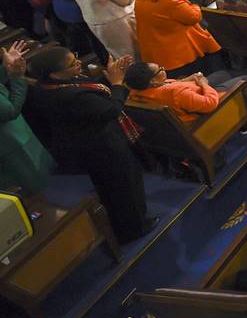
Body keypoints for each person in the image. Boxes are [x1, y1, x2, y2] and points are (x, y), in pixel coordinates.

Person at [24, 46, 153, 243]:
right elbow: (112, 110)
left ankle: (125, 224)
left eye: (75, 56)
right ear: (55, 73)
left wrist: (110, 76)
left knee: (111, 188)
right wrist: (118, 84)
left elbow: (89, 88)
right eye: (72, 63)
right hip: (101, 147)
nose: (78, 62)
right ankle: (136, 229)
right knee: (125, 186)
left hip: (88, 145)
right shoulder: (68, 97)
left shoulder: (47, 85)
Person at [131, 0, 221, 78]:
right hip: (180, 56)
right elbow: (194, 16)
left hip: (159, 55)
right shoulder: (167, 1)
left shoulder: (140, 0)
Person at [0, 40, 53, 194]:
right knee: (38, 188)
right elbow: (10, 111)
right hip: (10, 144)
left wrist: (6, 67)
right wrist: (17, 78)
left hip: (16, 135)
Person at [122, 61, 224, 121]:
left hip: (196, 96)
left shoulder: (137, 93)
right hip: (209, 112)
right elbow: (210, 104)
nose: (163, 68)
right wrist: (204, 84)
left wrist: (185, 80)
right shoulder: (175, 93)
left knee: (222, 74)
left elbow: (170, 87)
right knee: (235, 77)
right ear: (152, 80)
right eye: (160, 69)